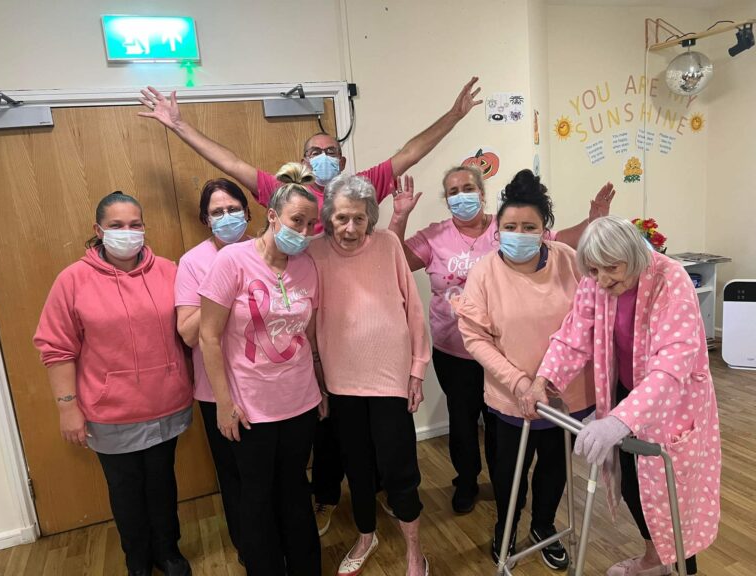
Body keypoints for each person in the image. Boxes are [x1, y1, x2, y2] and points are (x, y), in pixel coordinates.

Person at [389, 165, 614, 515]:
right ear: (446, 199)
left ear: (482, 192)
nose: (462, 196)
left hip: (510, 354)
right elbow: (394, 261)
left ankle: (504, 485)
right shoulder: (436, 236)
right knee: (463, 423)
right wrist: (399, 217)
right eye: (453, 191)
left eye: (468, 187)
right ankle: (466, 482)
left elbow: (557, 242)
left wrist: (592, 221)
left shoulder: (510, 222)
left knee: (501, 428)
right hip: (457, 350)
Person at [519, 215, 721, 576]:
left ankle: (683, 568)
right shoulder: (597, 280)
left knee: (672, 494)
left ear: (634, 255)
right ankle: (655, 559)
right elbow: (573, 335)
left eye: (612, 268)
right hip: (626, 391)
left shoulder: (670, 280)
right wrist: (543, 380)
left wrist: (618, 421)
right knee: (633, 484)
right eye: (594, 271)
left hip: (673, 400)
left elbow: (671, 366)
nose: (603, 280)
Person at [34, 192, 193, 576]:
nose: (127, 232)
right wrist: (67, 407)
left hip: (166, 403)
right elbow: (56, 347)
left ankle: (168, 551)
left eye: (135, 224)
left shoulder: (169, 271)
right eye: (117, 225)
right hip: (110, 411)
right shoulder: (73, 280)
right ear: (99, 229)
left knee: (162, 483)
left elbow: (189, 327)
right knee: (125, 489)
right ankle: (136, 559)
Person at [452, 169, 596, 571]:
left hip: (566, 394)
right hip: (511, 395)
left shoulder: (568, 260)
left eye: (529, 227)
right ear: (497, 230)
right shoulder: (485, 272)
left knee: (555, 466)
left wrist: (551, 379)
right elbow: (475, 337)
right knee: (508, 469)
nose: (519, 234)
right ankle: (507, 525)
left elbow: (588, 318)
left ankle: (544, 526)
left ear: (545, 229)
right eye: (510, 227)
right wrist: (519, 382)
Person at [137, 77, 483, 232]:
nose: (323, 157)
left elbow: (411, 153)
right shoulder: (285, 193)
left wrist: (454, 115)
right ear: (303, 162)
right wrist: (179, 126)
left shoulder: (361, 188)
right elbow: (230, 163)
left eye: (331, 151)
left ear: (342, 162)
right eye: (315, 152)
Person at [198, 163, 327, 576]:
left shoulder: (307, 266)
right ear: (272, 215)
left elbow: (308, 334)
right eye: (296, 221)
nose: (304, 232)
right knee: (256, 497)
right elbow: (208, 336)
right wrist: (223, 404)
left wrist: (320, 387)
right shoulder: (233, 261)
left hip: (300, 402)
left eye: (311, 224)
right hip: (251, 409)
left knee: (295, 490)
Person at [308, 174, 431, 576]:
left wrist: (417, 370)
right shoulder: (313, 252)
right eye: (342, 218)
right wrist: (318, 379)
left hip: (390, 378)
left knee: (399, 467)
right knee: (357, 466)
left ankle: (414, 550)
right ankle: (366, 536)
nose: (350, 228)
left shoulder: (388, 244)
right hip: (341, 380)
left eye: (359, 219)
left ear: (370, 219)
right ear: (328, 217)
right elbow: (310, 319)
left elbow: (414, 309)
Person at [173, 178, 252, 562]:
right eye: (217, 212)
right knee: (234, 476)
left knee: (272, 475)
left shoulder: (265, 251)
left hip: (266, 386)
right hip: (216, 392)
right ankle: (248, 549)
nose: (227, 217)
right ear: (205, 220)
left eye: (233, 209)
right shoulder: (193, 262)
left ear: (248, 213)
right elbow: (188, 334)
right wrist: (220, 286)